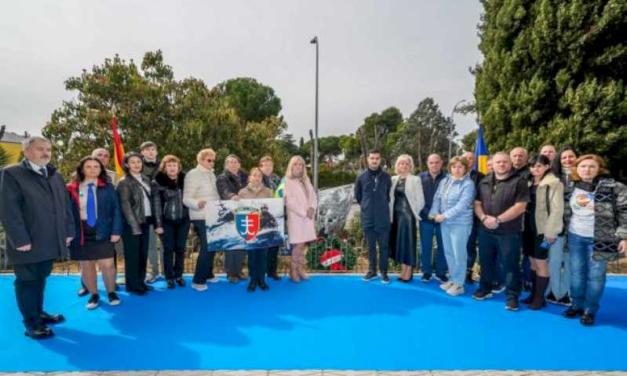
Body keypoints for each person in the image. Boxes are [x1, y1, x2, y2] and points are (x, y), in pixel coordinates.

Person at [0, 136, 74, 339]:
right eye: (40, 149)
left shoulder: (54, 175)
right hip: (27, 242)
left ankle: (39, 312)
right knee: (27, 282)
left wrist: (67, 232)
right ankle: (32, 324)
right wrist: (20, 239)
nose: (46, 152)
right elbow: (9, 210)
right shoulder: (11, 174)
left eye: (48, 149)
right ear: (26, 151)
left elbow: (65, 207)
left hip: (50, 241)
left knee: (40, 278)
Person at [562, 155, 627, 326]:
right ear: (577, 169)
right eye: (583, 166)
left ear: (600, 168)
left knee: (596, 276)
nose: (587, 170)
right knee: (576, 274)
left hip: (602, 238)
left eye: (592, 166)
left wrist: (623, 236)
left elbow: (624, 211)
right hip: (575, 236)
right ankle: (576, 304)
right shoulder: (571, 187)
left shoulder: (614, 187)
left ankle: (590, 310)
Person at [473, 152, 529, 311]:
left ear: (510, 164)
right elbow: (477, 203)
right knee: (485, 261)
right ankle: (485, 288)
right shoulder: (484, 181)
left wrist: (497, 220)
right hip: (485, 230)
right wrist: (484, 218)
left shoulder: (519, 182)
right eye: (498, 162)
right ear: (493, 164)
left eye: (505, 162)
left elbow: (520, 207)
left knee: (510, 265)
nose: (502, 164)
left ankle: (512, 296)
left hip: (509, 232)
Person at [67, 157, 123, 309]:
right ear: (82, 169)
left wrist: (116, 230)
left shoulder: (108, 187)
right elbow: (66, 213)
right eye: (88, 166)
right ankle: (94, 294)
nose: (92, 169)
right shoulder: (72, 188)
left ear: (101, 169)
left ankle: (111, 293)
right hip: (81, 231)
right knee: (86, 265)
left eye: (96, 167)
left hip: (103, 230)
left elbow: (116, 210)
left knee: (108, 264)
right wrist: (67, 233)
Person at [521, 155, 564, 310]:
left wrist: (551, 232)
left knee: (541, 263)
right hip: (528, 228)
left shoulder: (554, 184)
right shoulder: (528, 182)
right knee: (532, 262)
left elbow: (557, 209)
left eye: (539, 166)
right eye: (532, 166)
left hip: (543, 230)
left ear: (547, 166)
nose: (535, 169)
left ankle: (540, 298)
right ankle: (533, 294)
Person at [117, 152, 162, 295]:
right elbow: (126, 207)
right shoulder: (123, 182)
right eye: (133, 162)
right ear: (126, 165)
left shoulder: (146, 179)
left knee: (143, 254)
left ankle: (140, 282)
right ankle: (132, 285)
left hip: (145, 221)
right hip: (132, 225)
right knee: (133, 256)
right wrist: (134, 226)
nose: (137, 165)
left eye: (139, 162)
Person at [429, 157, 475, 296]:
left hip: (460, 223)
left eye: (460, 167)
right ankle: (453, 279)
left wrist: (444, 215)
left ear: (465, 168)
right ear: (450, 168)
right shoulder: (445, 181)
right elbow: (437, 198)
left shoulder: (468, 184)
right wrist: (434, 213)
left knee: (459, 254)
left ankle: (459, 285)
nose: (457, 169)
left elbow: (462, 204)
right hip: (445, 223)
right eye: (454, 166)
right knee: (449, 252)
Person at [183, 148, 221, 292]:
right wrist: (197, 204)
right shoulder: (193, 174)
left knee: (212, 246)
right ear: (200, 160)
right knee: (206, 247)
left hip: (213, 215)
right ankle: (198, 280)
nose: (212, 162)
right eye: (209, 160)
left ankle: (208, 274)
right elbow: (186, 198)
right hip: (200, 216)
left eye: (213, 160)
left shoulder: (212, 174)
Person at [546, 146, 579, 305]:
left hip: (577, 227)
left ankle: (566, 292)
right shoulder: (553, 177)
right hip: (557, 226)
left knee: (570, 261)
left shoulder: (584, 176)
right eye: (564, 157)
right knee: (554, 260)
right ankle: (554, 291)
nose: (567, 160)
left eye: (570, 156)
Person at [152, 155, 190, 289]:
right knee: (168, 249)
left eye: (174, 165)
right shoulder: (158, 182)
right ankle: (169, 277)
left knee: (180, 248)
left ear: (179, 167)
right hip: (166, 221)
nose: (172, 168)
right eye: (169, 165)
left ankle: (178, 275)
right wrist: (158, 224)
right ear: (164, 167)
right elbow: (156, 204)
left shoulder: (186, 181)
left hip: (184, 220)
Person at [355, 149, 392, 283]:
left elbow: (387, 196)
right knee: (370, 247)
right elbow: (359, 197)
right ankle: (372, 271)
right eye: (372, 158)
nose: (374, 160)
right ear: (368, 160)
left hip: (383, 219)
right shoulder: (361, 177)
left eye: (377, 158)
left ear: (380, 159)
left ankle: (384, 272)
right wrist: (367, 207)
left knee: (384, 247)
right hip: (368, 218)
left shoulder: (387, 177)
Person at [238, 167, 274, 292]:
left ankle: (262, 280)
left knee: (263, 256)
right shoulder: (242, 193)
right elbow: (239, 210)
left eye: (259, 175)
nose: (256, 177)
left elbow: (272, 209)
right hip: (249, 229)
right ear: (249, 177)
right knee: (252, 256)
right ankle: (253, 280)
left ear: (261, 178)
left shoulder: (269, 192)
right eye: (254, 175)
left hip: (264, 230)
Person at [389, 154, 424, 282]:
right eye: (401, 163)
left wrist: (413, 212)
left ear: (410, 166)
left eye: (406, 163)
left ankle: (408, 273)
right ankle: (403, 271)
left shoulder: (415, 179)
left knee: (408, 244)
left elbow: (420, 200)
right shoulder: (393, 179)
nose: (403, 165)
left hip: (408, 217)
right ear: (397, 166)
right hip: (396, 217)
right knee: (400, 244)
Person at [284, 155, 318, 282]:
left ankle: (300, 269)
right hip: (297, 218)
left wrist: (312, 208)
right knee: (298, 244)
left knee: (303, 244)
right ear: (291, 166)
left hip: (308, 217)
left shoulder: (306, 180)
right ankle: (293, 270)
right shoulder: (286, 181)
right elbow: (289, 202)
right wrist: (304, 213)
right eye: (296, 164)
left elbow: (313, 196)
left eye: (301, 164)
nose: (298, 167)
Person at [217, 154, 249, 283]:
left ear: (239, 164)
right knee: (231, 244)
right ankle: (231, 273)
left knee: (242, 243)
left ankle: (239, 270)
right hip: (230, 213)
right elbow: (223, 190)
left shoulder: (246, 176)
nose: (233, 164)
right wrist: (231, 196)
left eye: (235, 162)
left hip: (244, 212)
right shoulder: (222, 177)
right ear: (226, 165)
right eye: (230, 162)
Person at [418, 153, 448, 282]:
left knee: (443, 246)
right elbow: (417, 199)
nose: (434, 165)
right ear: (427, 163)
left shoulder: (448, 178)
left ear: (441, 163)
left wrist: (440, 215)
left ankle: (441, 272)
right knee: (425, 246)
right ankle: (426, 272)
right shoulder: (420, 178)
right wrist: (428, 213)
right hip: (425, 219)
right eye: (431, 162)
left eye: (437, 162)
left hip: (443, 219)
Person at [140, 141, 163, 284]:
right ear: (142, 152)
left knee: (165, 243)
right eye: (147, 150)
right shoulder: (137, 166)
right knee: (150, 245)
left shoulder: (163, 166)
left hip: (162, 209)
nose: (150, 152)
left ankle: (166, 271)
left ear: (156, 152)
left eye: (152, 149)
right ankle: (154, 271)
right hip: (145, 210)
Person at [259, 155, 282, 280]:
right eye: (265, 165)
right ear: (260, 166)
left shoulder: (277, 178)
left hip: (276, 214)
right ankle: (261, 271)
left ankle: (272, 271)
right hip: (261, 216)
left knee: (274, 244)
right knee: (262, 245)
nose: (268, 167)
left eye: (270, 165)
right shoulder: (256, 178)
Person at [463, 151, 484, 284]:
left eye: (471, 158)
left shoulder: (481, 177)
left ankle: (468, 272)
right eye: (466, 158)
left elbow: (482, 196)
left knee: (470, 246)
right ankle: (455, 271)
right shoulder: (452, 176)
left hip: (473, 218)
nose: (468, 160)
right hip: (456, 219)